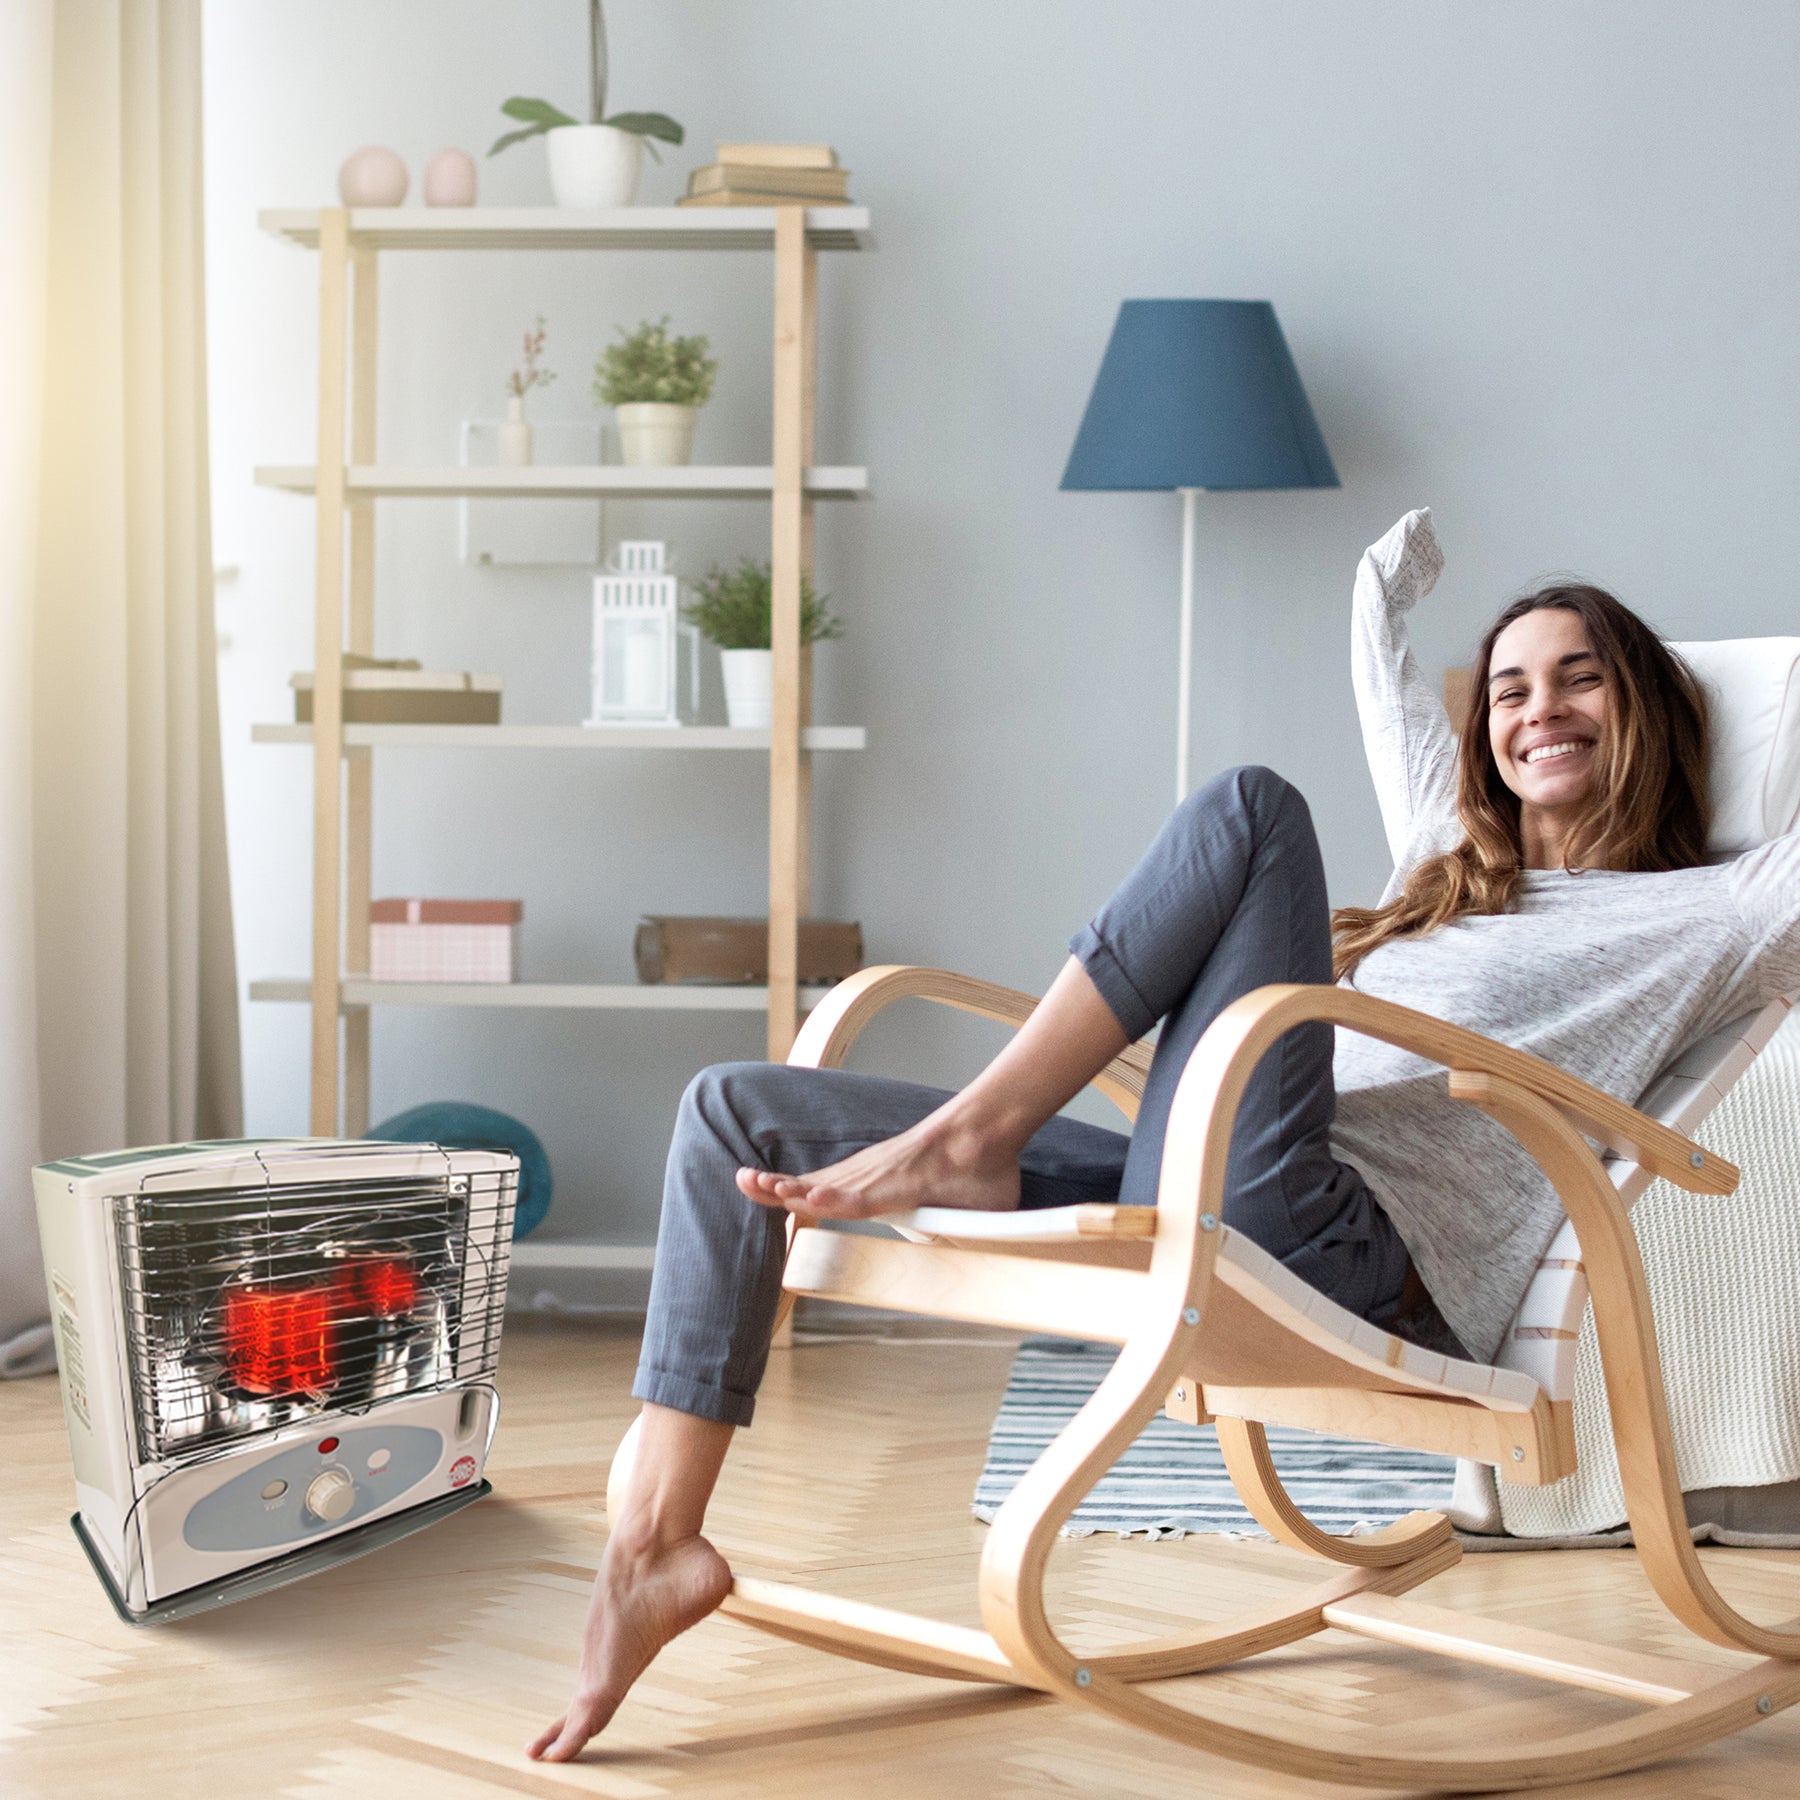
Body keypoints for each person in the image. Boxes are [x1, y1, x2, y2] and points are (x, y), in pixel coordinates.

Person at [528, 509, 1800, 1763]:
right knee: (735, 1114)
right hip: (1231, 1182)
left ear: (1648, 709)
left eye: (1583, 677)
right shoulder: (1445, 867)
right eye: (1510, 690)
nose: (1540, 709)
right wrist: (1392, 576)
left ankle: (976, 1133)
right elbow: (1389, 674)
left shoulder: (1725, 911)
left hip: (1352, 1251)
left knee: (1250, 810)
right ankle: (654, 1546)